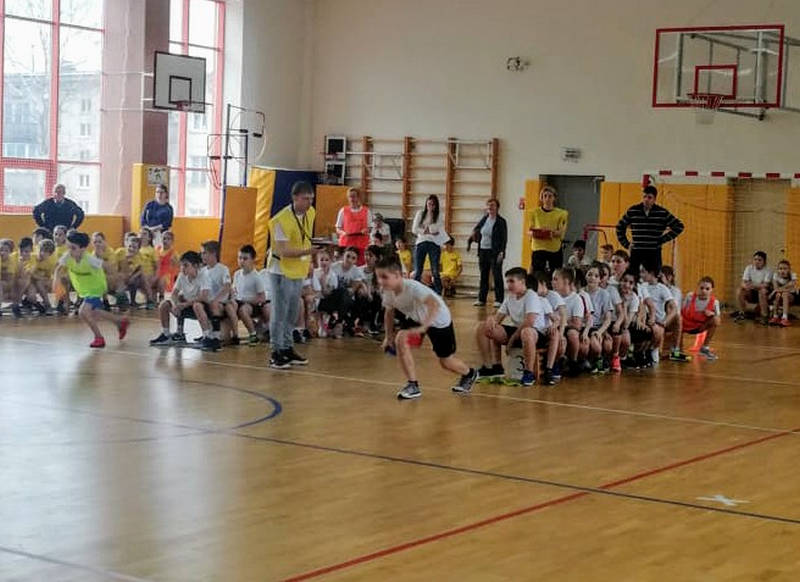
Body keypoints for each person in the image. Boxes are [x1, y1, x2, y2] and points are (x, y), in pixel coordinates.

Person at [377, 255, 477, 399]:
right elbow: (389, 312)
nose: (381, 281)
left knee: (446, 362)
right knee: (400, 339)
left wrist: (423, 328)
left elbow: (433, 305)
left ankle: (469, 374)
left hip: (438, 320)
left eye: (384, 277)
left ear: (397, 275)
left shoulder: (413, 288)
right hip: (416, 317)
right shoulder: (388, 291)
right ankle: (413, 385)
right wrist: (388, 336)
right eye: (379, 277)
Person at [266, 181, 316, 369]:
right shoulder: (281, 220)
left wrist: (308, 260)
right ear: (295, 198)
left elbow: (305, 238)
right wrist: (308, 252)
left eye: (311, 199)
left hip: (298, 268)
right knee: (280, 311)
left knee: (293, 310)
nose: (309, 203)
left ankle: (287, 347)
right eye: (305, 199)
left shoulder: (310, 213)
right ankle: (276, 351)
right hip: (280, 269)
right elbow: (284, 251)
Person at [53, 231, 129, 348]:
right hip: (85, 290)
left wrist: (119, 283)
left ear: (83, 249)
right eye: (68, 247)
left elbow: (108, 267)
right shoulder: (68, 256)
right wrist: (56, 281)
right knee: (93, 311)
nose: (70, 251)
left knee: (83, 312)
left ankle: (99, 338)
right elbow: (58, 269)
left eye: (73, 248)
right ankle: (120, 322)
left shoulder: (90, 260)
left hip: (96, 288)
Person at [475, 267, 548, 386]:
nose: (509, 285)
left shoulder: (531, 295)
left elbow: (529, 322)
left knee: (527, 332)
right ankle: (492, 367)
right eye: (507, 281)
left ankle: (528, 372)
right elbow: (498, 318)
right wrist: (491, 319)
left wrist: (511, 341)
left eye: (512, 281)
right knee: (482, 327)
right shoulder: (510, 297)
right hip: (518, 331)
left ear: (522, 282)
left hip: (535, 334)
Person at [615, 185, 684, 275]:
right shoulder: (633, 211)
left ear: (654, 199)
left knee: (654, 276)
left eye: (649, 197)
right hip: (637, 251)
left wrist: (662, 239)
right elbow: (619, 227)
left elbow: (679, 226)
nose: (646, 199)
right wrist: (626, 244)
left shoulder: (662, 212)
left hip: (654, 252)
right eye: (644, 196)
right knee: (633, 276)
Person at [149, 251, 212, 346]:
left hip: (204, 308)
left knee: (197, 305)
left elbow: (203, 296)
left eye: (186, 265)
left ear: (195, 266)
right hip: (187, 306)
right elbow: (174, 294)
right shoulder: (182, 275)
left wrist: (184, 305)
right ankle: (167, 334)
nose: (182, 268)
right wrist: (176, 305)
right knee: (164, 304)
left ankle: (207, 337)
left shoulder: (204, 275)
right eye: (181, 265)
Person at [472, 198, 507, 307]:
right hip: (483, 250)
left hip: (495, 252)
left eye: (492, 205)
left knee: (497, 275)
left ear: (497, 207)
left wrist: (502, 251)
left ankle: (499, 299)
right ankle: (481, 299)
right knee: (483, 275)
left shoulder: (501, 221)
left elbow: (504, 238)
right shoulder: (484, 219)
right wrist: (475, 234)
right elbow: (477, 229)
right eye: (489, 205)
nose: (490, 207)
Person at [232, 245, 270, 345]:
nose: (241, 261)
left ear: (252, 260)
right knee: (230, 308)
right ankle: (231, 334)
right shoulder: (236, 274)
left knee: (243, 310)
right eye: (239, 258)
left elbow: (262, 298)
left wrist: (246, 300)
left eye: (245, 259)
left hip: (253, 305)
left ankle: (253, 334)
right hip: (239, 302)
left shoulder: (256, 277)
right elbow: (235, 290)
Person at [200, 240, 233, 350]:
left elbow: (227, 286)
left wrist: (216, 299)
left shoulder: (223, 269)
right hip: (208, 302)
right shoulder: (202, 271)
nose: (202, 256)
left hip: (220, 304)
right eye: (201, 253)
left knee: (214, 305)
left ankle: (216, 337)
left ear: (213, 253)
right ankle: (206, 335)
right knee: (197, 305)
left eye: (204, 253)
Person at [528, 186, 568, 275]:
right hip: (538, 247)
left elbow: (561, 232)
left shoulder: (562, 213)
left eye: (550, 196)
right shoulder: (534, 212)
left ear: (554, 198)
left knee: (555, 273)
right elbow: (530, 230)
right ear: (541, 198)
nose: (547, 199)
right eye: (545, 196)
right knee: (537, 273)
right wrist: (536, 233)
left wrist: (549, 232)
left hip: (554, 248)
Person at [411, 195, 446, 294]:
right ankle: (414, 292)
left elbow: (437, 230)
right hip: (421, 242)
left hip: (434, 243)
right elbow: (414, 229)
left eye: (433, 204)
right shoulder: (420, 213)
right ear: (426, 204)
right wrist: (426, 231)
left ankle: (438, 293)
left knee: (435, 271)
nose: (430, 206)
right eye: (429, 204)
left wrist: (427, 228)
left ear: (436, 206)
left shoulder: (438, 216)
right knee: (418, 270)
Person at [680, 276, 721, 360]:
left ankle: (705, 347)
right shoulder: (690, 296)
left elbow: (718, 321)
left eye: (707, 289)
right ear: (697, 287)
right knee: (678, 320)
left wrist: (712, 314)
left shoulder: (715, 302)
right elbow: (680, 310)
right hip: (685, 325)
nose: (704, 291)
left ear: (712, 290)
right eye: (701, 288)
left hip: (699, 327)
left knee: (715, 320)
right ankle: (678, 349)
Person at [335, 187, 372, 264]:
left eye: (354, 196)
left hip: (361, 245)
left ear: (358, 197)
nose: (352, 199)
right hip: (346, 243)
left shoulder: (366, 211)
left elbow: (369, 228)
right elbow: (338, 228)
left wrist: (366, 230)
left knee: (360, 265)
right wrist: (344, 233)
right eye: (350, 197)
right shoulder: (343, 210)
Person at [735, 251, 772, 324]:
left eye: (759, 260)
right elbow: (743, 282)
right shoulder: (749, 268)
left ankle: (764, 316)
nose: (757, 262)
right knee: (740, 290)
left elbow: (766, 285)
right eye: (755, 259)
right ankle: (743, 313)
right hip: (751, 292)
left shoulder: (768, 270)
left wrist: (752, 285)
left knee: (762, 291)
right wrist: (745, 286)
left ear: (764, 262)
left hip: (764, 294)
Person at [769, 259, 797, 327]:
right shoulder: (776, 275)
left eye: (785, 269)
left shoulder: (793, 275)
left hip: (791, 296)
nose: (782, 271)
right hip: (779, 296)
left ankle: (785, 318)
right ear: (778, 269)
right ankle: (775, 317)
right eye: (780, 269)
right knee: (778, 295)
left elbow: (791, 287)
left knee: (784, 294)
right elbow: (776, 288)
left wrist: (776, 291)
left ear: (789, 269)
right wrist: (777, 291)